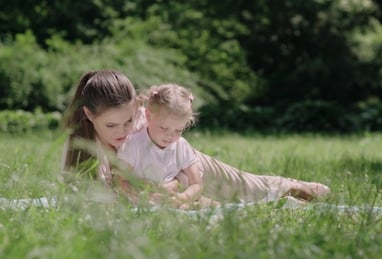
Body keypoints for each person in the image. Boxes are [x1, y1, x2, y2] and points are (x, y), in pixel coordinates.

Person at [61, 69, 330, 207]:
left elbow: (177, 154)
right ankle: (282, 202)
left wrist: (174, 184)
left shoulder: (145, 120)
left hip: (184, 168)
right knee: (218, 208)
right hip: (157, 191)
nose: (122, 131)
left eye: (128, 121)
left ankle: (288, 185)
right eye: (111, 125)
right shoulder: (82, 149)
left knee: (247, 190)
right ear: (88, 114)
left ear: (138, 110)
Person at [117, 83, 213, 208]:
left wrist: (180, 198)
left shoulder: (181, 146)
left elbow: (197, 185)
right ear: (148, 115)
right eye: (163, 127)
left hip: (174, 200)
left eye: (178, 130)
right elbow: (120, 182)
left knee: (205, 204)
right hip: (142, 200)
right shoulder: (133, 144)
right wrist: (145, 197)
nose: (170, 136)